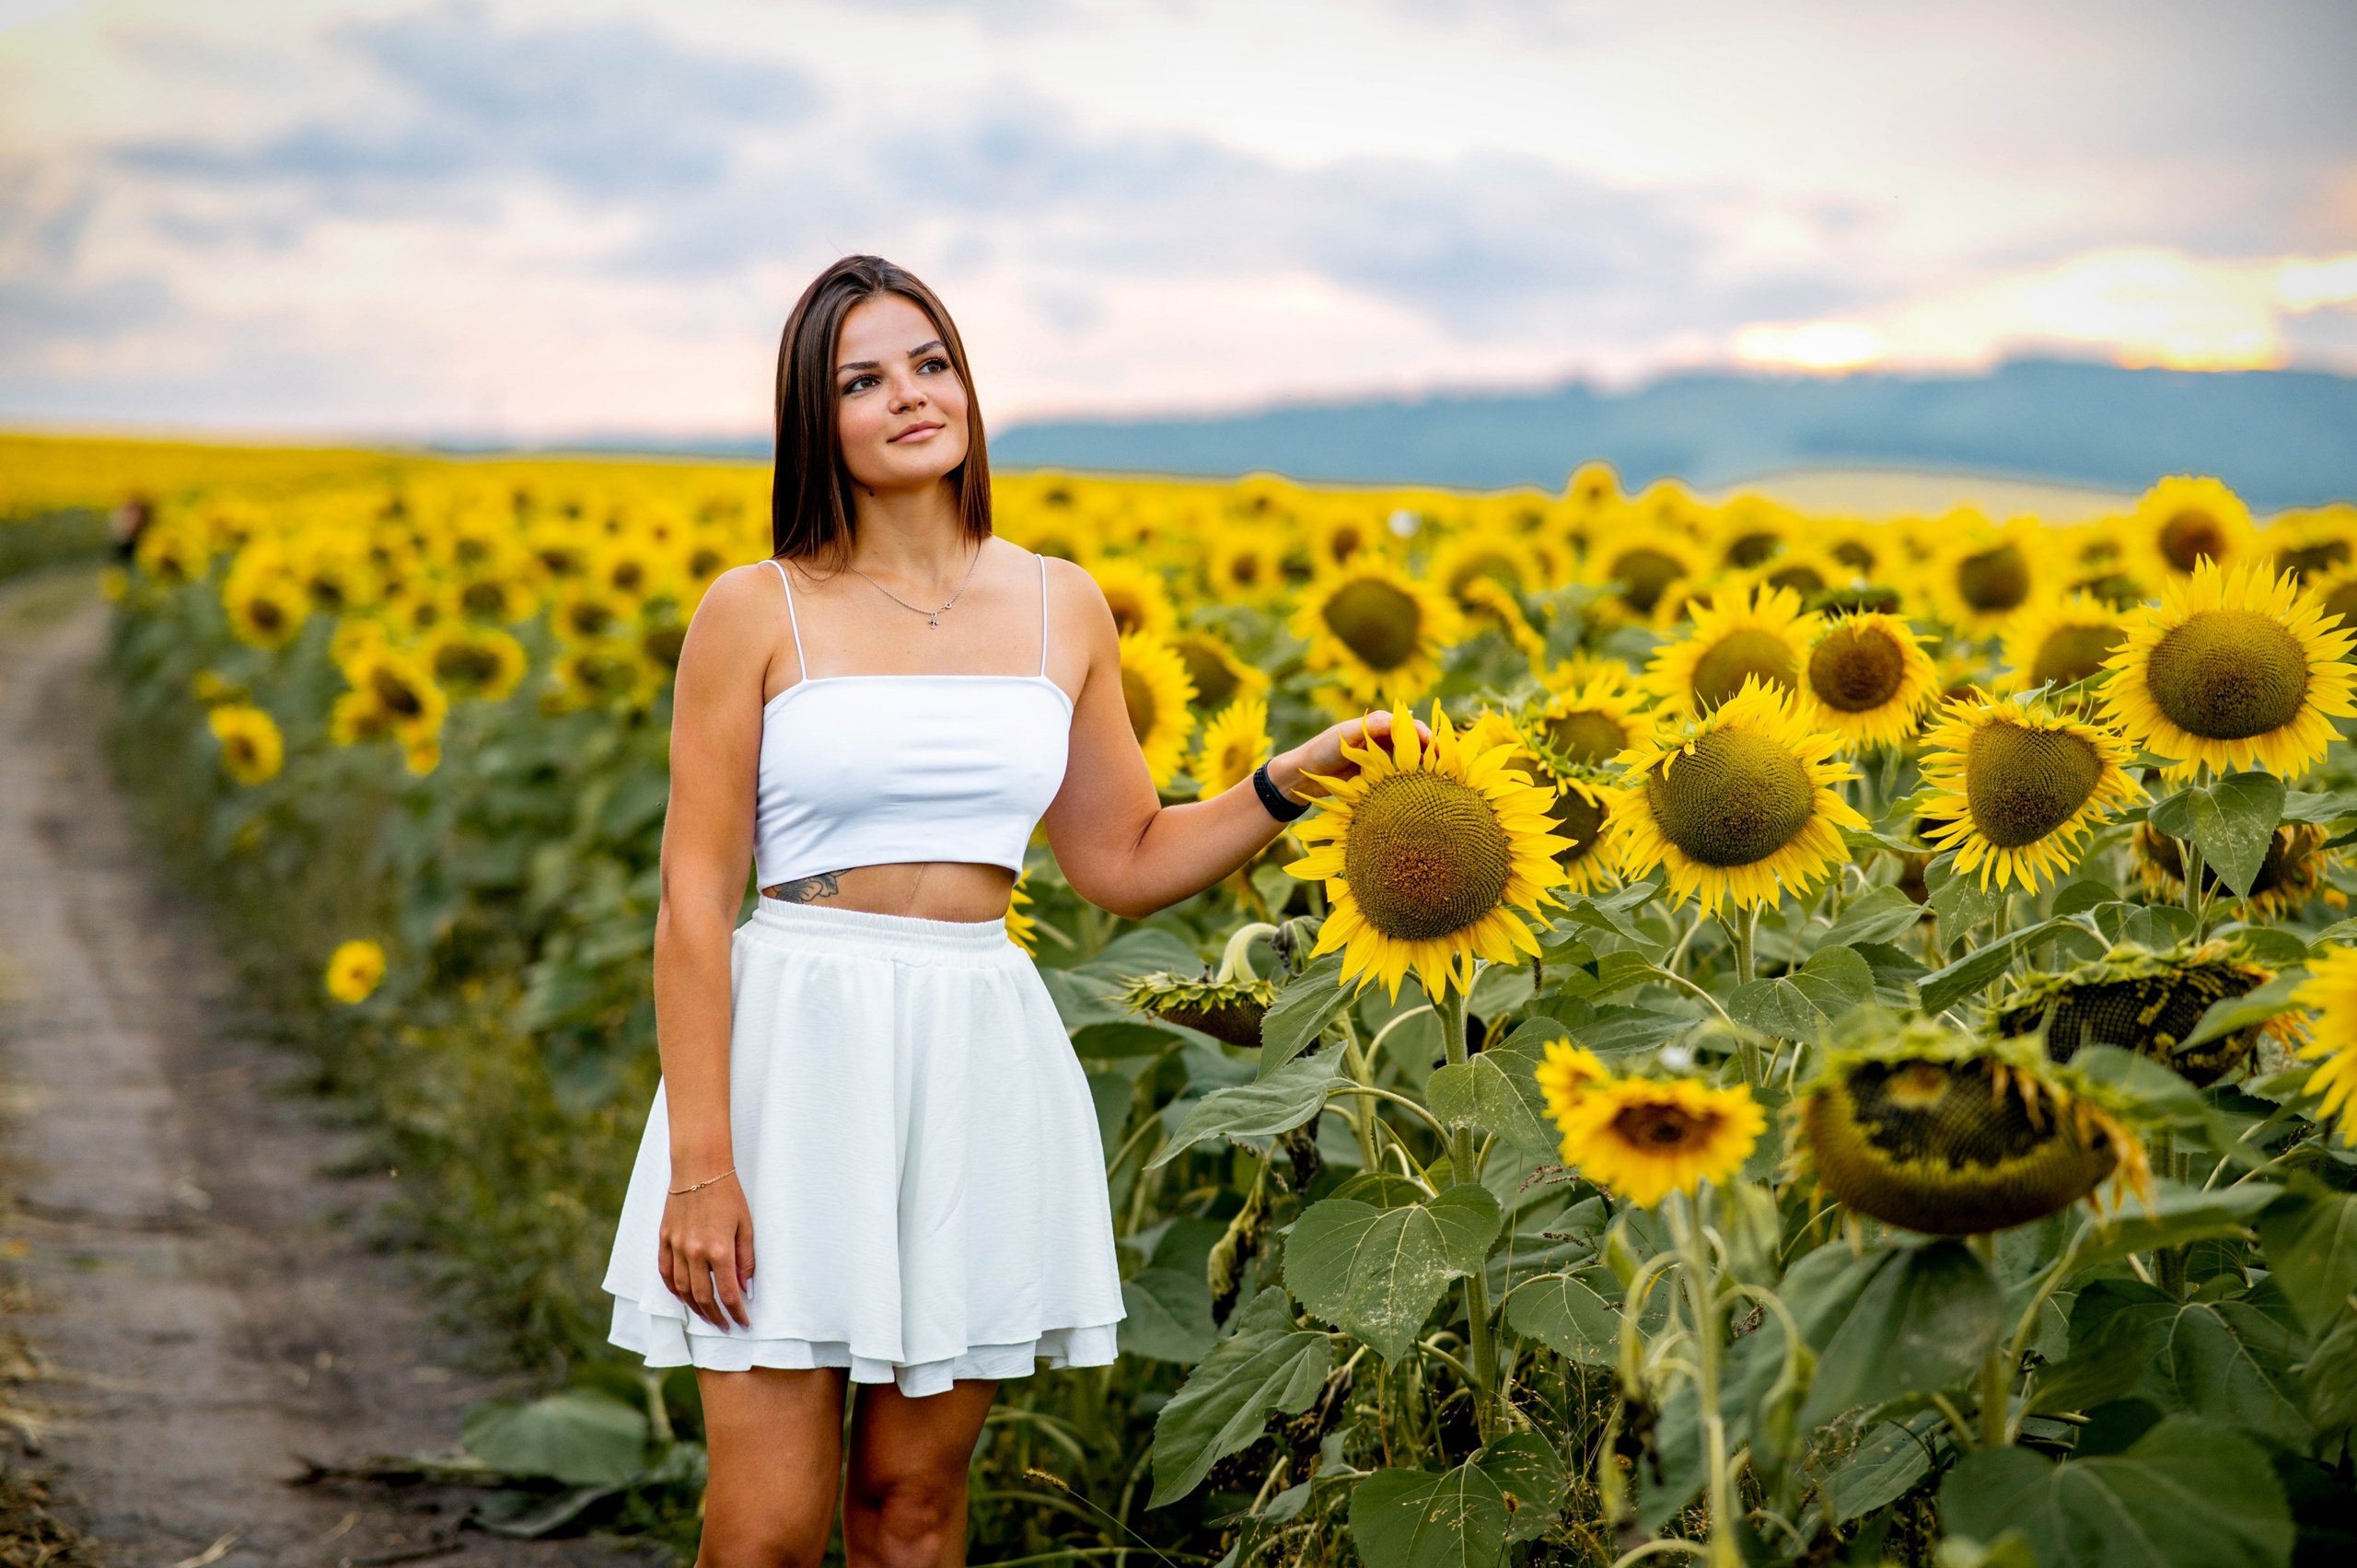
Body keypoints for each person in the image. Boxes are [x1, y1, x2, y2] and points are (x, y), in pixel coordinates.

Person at [600, 254, 1419, 1567]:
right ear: (818, 422)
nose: (909, 397)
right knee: (761, 1532)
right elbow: (692, 904)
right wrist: (704, 1164)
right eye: (862, 380)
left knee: (911, 1513)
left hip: (975, 1047)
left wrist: (1284, 783)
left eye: (930, 363)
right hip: (792, 1052)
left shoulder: (1059, 603)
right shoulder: (756, 611)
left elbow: (1123, 858)